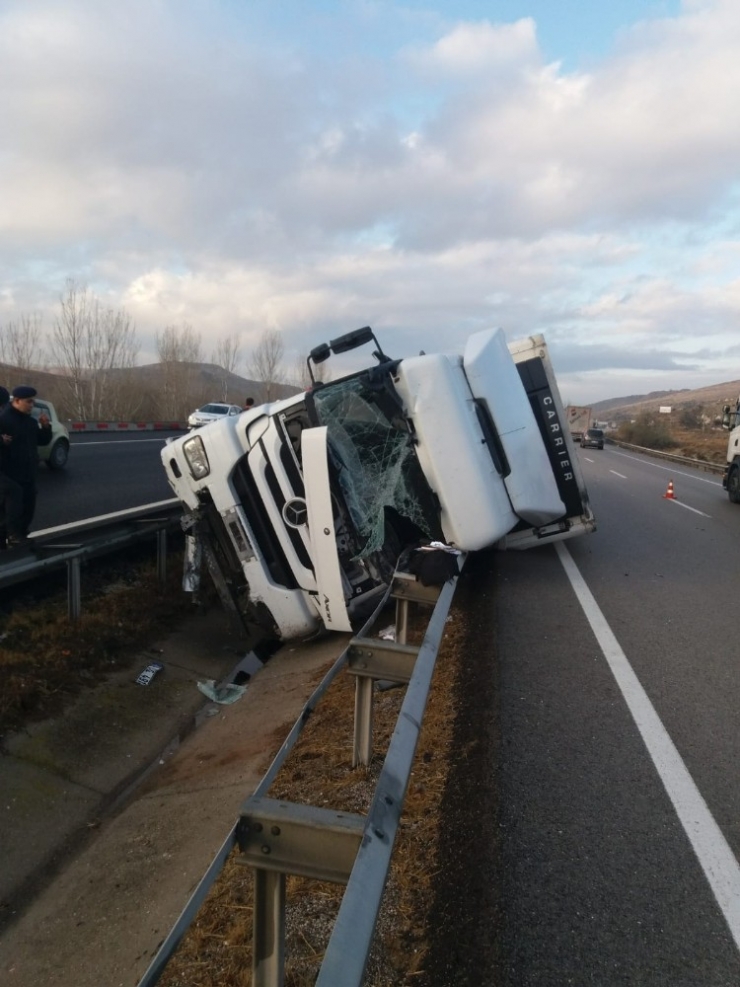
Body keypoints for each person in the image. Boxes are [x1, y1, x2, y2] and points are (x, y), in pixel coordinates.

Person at [0, 385, 52, 546]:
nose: (32, 405)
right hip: (11, 472)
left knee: (28, 506)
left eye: (33, 402)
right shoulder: (4, 420)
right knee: (11, 507)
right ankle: (9, 538)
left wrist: (45, 427)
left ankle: (21, 535)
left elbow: (42, 441)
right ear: (17, 401)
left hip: (28, 472)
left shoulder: (29, 422)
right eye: (29, 402)